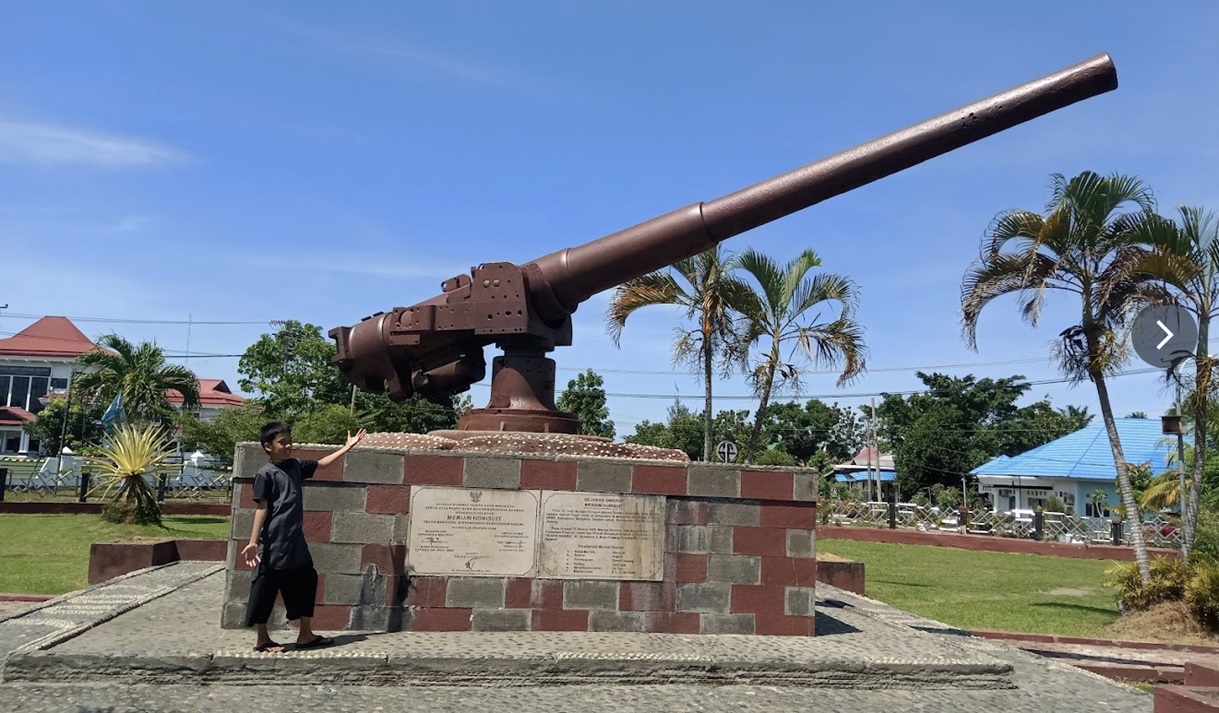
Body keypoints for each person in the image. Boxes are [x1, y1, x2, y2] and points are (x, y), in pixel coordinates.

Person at [242, 421, 366, 652]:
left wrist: (347, 447)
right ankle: (262, 639)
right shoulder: (265, 475)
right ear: (268, 446)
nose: (288, 445)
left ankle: (305, 634)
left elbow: (322, 464)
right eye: (282, 442)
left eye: (290, 440)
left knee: (306, 581)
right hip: (273, 543)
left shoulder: (296, 466)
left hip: (295, 542)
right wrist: (253, 542)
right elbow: (261, 508)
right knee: (265, 587)